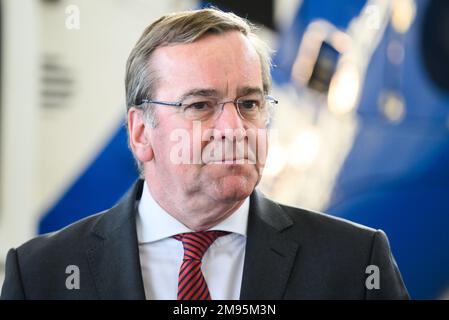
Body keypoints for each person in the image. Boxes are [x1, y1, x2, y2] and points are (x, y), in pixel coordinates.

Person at [1, 8, 409, 300]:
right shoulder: (42, 274)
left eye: (249, 104)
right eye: (200, 105)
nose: (234, 129)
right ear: (141, 132)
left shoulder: (356, 264)